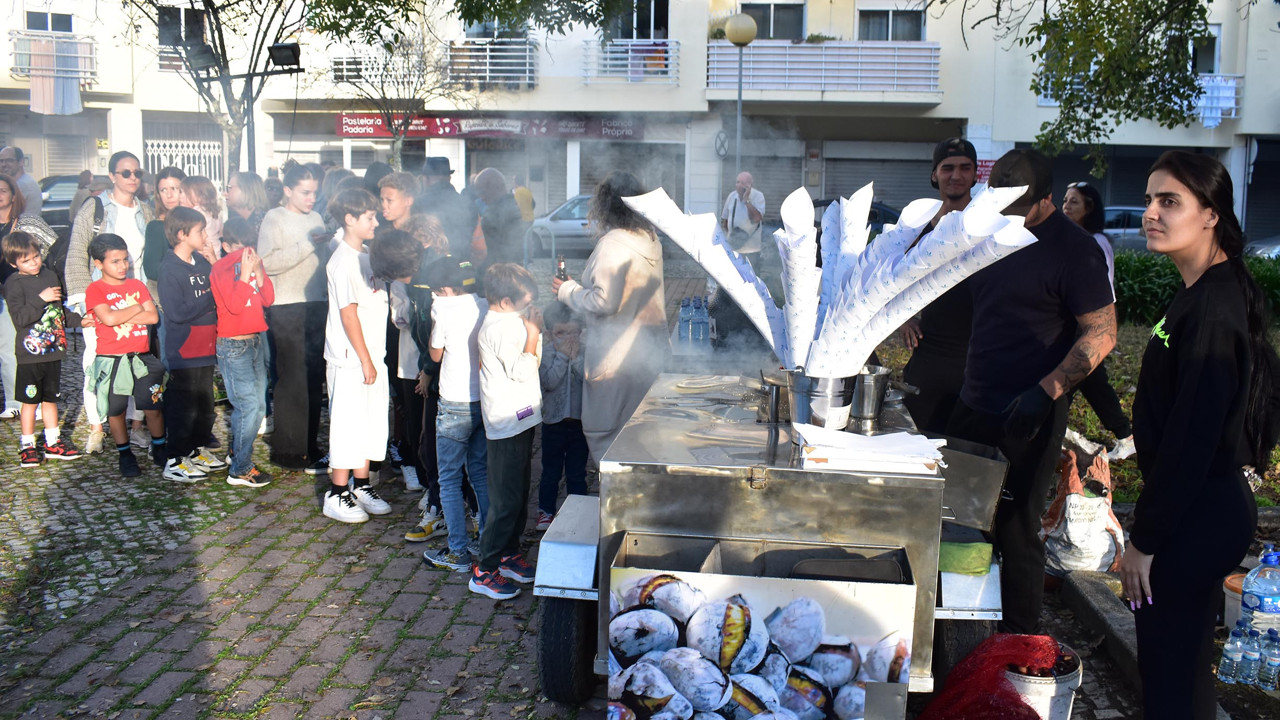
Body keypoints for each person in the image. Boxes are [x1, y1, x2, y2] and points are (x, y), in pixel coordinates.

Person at [1117, 151, 1274, 720]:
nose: (1151, 213)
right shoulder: (1205, 290)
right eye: (1150, 200)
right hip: (1197, 506)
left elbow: (1192, 437)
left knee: (1169, 678)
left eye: (1170, 201)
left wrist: (1145, 540)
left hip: (1196, 512)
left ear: (1210, 214)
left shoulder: (1213, 306)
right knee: (1179, 674)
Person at [945, 148, 1116, 634]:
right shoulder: (989, 232)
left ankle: (1020, 643)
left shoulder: (1073, 249)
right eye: (998, 197)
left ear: (1046, 199)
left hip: (1032, 412)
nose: (1007, 212)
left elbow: (1102, 333)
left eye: (1018, 203)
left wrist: (1049, 389)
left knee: (1018, 528)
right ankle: (959, 635)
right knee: (961, 523)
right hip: (973, 401)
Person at [552, 171, 671, 462]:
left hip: (616, 355)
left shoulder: (613, 244)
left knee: (610, 441)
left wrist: (568, 290)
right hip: (647, 352)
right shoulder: (649, 239)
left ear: (606, 207)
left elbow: (605, 301)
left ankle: (619, 502)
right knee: (640, 436)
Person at [67, 151, 155, 454]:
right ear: (113, 176)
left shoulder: (146, 209)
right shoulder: (95, 207)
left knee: (136, 362)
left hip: (136, 296)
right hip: (100, 298)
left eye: (137, 173)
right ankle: (96, 427)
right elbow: (77, 253)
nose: (133, 178)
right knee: (98, 363)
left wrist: (150, 300)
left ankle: (137, 427)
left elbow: (149, 259)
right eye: (126, 173)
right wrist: (82, 306)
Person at [320, 188, 393, 523]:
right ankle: (337, 492)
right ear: (350, 220)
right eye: (370, 217)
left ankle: (361, 483)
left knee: (370, 421)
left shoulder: (366, 254)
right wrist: (364, 358)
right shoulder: (342, 261)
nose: (376, 222)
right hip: (351, 357)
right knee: (348, 423)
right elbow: (349, 315)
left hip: (374, 353)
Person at [472, 263, 541, 600]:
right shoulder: (499, 329)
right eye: (524, 301)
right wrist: (533, 334)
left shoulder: (510, 320)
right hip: (505, 424)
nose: (529, 307)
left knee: (518, 492)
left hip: (521, 418)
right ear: (502, 301)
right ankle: (484, 569)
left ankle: (509, 555)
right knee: (505, 500)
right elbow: (521, 370)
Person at [900, 138, 978, 434]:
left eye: (964, 168)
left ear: (974, 174)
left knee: (972, 451)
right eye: (947, 168)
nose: (956, 176)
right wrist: (904, 318)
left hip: (978, 358)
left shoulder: (986, 227)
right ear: (935, 174)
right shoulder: (917, 229)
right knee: (919, 440)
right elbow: (892, 281)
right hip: (930, 354)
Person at [258, 164, 327, 471]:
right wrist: (310, 244)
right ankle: (289, 450)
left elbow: (320, 259)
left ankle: (310, 446)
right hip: (286, 305)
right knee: (291, 379)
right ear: (287, 190)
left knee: (313, 378)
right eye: (305, 192)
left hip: (316, 303)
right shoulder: (274, 218)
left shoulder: (316, 217)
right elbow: (268, 262)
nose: (312, 198)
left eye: (315, 192)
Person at [1061, 180, 1136, 460]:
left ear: (1090, 209)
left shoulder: (1095, 243)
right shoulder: (1078, 238)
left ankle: (1125, 436)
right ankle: (1124, 435)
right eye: (1065, 200)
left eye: (1074, 202)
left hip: (1087, 328)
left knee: (1079, 383)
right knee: (1089, 384)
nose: (1066, 206)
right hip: (1077, 327)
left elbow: (1098, 290)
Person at [423, 257, 489, 572]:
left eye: (436, 290)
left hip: (453, 404)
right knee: (479, 473)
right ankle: (488, 542)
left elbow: (435, 354)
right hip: (483, 402)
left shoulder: (444, 309)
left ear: (446, 288)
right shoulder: (484, 304)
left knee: (448, 479)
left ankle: (457, 551)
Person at [83, 234, 166, 478]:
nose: (122, 266)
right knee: (115, 410)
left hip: (142, 357)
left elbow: (153, 318)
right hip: (112, 360)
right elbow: (108, 319)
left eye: (125, 260)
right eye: (115, 261)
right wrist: (136, 308)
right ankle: (124, 453)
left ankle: (159, 447)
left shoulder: (137, 285)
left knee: (153, 407)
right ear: (98, 264)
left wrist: (118, 314)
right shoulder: (95, 289)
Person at [2, 231, 81, 466]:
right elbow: (20, 319)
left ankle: (52, 442)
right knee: (30, 401)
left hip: (53, 350)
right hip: (29, 355)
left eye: (36, 256)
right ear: (13, 263)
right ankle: (27, 444)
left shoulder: (49, 275)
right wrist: (40, 298)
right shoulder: (13, 284)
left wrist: (79, 320)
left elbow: (59, 311)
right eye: (26, 260)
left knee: (50, 399)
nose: (34, 262)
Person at [157, 206, 224, 482]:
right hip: (184, 351)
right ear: (183, 234)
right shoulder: (170, 269)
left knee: (205, 405)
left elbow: (221, 289)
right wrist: (209, 296)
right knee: (183, 408)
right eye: (200, 231)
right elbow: (177, 312)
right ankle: (175, 459)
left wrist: (215, 262)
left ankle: (196, 450)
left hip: (206, 349)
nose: (205, 235)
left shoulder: (203, 263)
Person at [210, 217, 275, 488]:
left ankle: (238, 453)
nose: (244, 254)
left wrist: (258, 273)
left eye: (248, 247)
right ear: (226, 247)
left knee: (258, 405)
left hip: (255, 341)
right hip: (234, 345)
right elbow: (235, 306)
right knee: (247, 406)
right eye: (238, 248)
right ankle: (240, 469)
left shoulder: (251, 263)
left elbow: (268, 299)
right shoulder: (222, 269)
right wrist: (246, 274)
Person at [0, 174, 58, 420]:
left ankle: (21, 400)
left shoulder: (29, 221)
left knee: (16, 347)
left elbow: (53, 250)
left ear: (14, 195)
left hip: (23, 294)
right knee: (4, 350)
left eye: (2, 190)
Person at [535, 301, 588, 530]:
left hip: (579, 423)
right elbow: (548, 382)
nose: (568, 338)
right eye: (560, 333)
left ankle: (579, 512)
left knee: (577, 472)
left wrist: (575, 358)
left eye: (573, 332)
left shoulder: (585, 353)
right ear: (549, 334)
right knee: (551, 471)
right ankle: (546, 510)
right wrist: (563, 357)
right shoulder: (546, 354)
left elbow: (586, 380)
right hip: (553, 422)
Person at [418, 157, 476, 255]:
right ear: (449, 178)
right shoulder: (466, 202)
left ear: (426, 178)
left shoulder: (419, 203)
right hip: (461, 262)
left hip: (429, 263)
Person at [474, 168, 527, 267]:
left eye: (483, 192)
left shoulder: (498, 212)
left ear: (495, 188)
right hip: (508, 268)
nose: (482, 197)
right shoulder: (509, 205)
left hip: (500, 271)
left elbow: (485, 249)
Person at [720, 171, 765, 265]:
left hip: (751, 251)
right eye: (737, 182)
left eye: (743, 183)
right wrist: (733, 236)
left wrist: (746, 201)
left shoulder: (758, 196)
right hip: (733, 249)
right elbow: (725, 220)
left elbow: (757, 218)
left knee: (752, 277)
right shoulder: (732, 196)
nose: (739, 185)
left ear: (750, 185)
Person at [180, 176, 224, 259]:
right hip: (217, 255)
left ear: (201, 196)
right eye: (180, 192)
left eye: (185, 192)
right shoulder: (216, 213)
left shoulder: (196, 213)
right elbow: (221, 234)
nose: (180, 196)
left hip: (203, 256)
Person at [0, 146, 41, 217]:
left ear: (21, 162)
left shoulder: (22, 185)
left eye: (9, 160)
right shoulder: (21, 182)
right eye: (1, 161)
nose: (4, 164)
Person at [225, 171, 270, 235]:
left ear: (246, 189)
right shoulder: (242, 222)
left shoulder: (264, 223)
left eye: (229, 188)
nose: (225, 193)